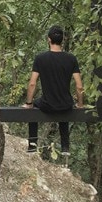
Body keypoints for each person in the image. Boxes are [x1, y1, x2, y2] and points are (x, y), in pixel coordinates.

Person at [22, 25, 84, 155]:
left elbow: (32, 83)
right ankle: (65, 147)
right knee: (65, 104)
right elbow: (79, 86)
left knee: (33, 106)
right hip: (65, 105)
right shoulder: (71, 59)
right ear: (63, 40)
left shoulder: (40, 58)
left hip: (47, 104)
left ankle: (32, 146)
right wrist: (80, 104)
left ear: (48, 39)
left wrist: (28, 103)